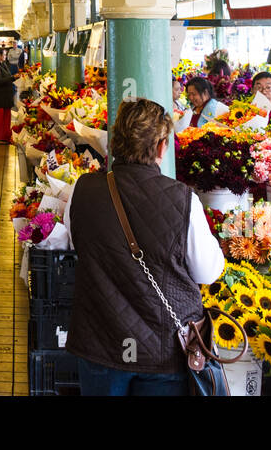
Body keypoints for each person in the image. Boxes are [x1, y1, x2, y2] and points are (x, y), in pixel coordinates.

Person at [64, 98, 224, 396]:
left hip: (100, 342)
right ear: (162, 147)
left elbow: (78, 243)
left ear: (114, 142)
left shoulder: (82, 189)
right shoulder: (183, 199)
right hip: (163, 350)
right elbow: (207, 272)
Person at [0, 43, 15, 145]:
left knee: (6, 116)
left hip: (6, 95)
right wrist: (13, 78)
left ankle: (5, 136)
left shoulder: (3, 64)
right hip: (0, 95)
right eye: (4, 54)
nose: (5, 56)